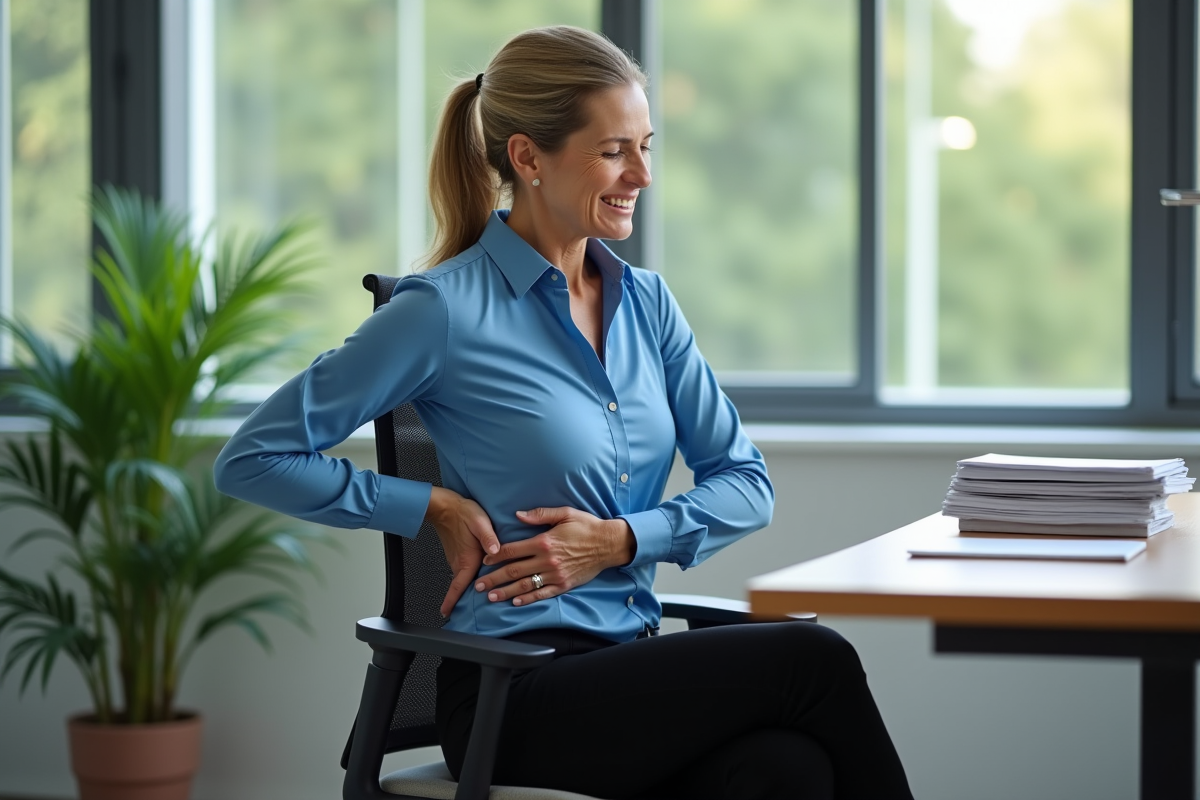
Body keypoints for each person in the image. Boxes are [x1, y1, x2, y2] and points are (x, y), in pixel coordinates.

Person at [214, 25, 913, 800]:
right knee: (811, 659)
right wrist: (428, 505)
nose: (642, 174)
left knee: (788, 770)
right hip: (512, 694)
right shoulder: (441, 311)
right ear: (528, 157)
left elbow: (746, 484)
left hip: (626, 666)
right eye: (615, 150)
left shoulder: (648, 306)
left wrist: (619, 541)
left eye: (648, 146)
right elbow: (253, 458)